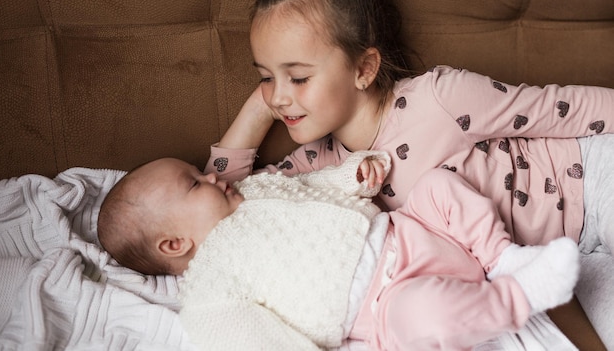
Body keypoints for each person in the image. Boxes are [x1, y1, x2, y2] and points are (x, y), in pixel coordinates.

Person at [204, 0, 614, 345]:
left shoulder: (439, 99)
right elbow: (221, 199)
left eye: (297, 77)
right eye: (264, 77)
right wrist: (260, 106)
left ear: (363, 69)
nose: (279, 95)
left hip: (588, 178)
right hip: (554, 262)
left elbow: (558, 109)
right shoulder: (319, 166)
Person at [97, 150, 580, 350]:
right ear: (175, 244)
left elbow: (312, 186)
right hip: (384, 301)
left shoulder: (255, 191)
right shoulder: (208, 290)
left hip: (408, 228)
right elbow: (260, 342)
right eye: (195, 183)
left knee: (438, 185)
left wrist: (355, 173)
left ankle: (502, 257)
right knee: (424, 316)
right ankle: (517, 298)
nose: (213, 176)